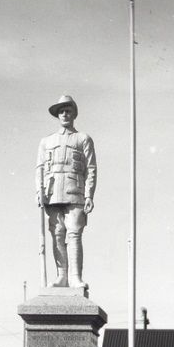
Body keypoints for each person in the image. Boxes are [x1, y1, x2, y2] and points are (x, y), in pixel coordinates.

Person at [36, 94, 97, 289]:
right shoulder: (46, 141)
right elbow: (40, 168)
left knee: (74, 234)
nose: (64, 114)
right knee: (57, 234)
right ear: (57, 115)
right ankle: (61, 276)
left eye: (68, 110)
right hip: (53, 193)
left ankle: (75, 277)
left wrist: (89, 195)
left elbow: (91, 168)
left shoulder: (83, 139)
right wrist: (39, 191)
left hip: (75, 192)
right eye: (61, 111)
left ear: (74, 114)